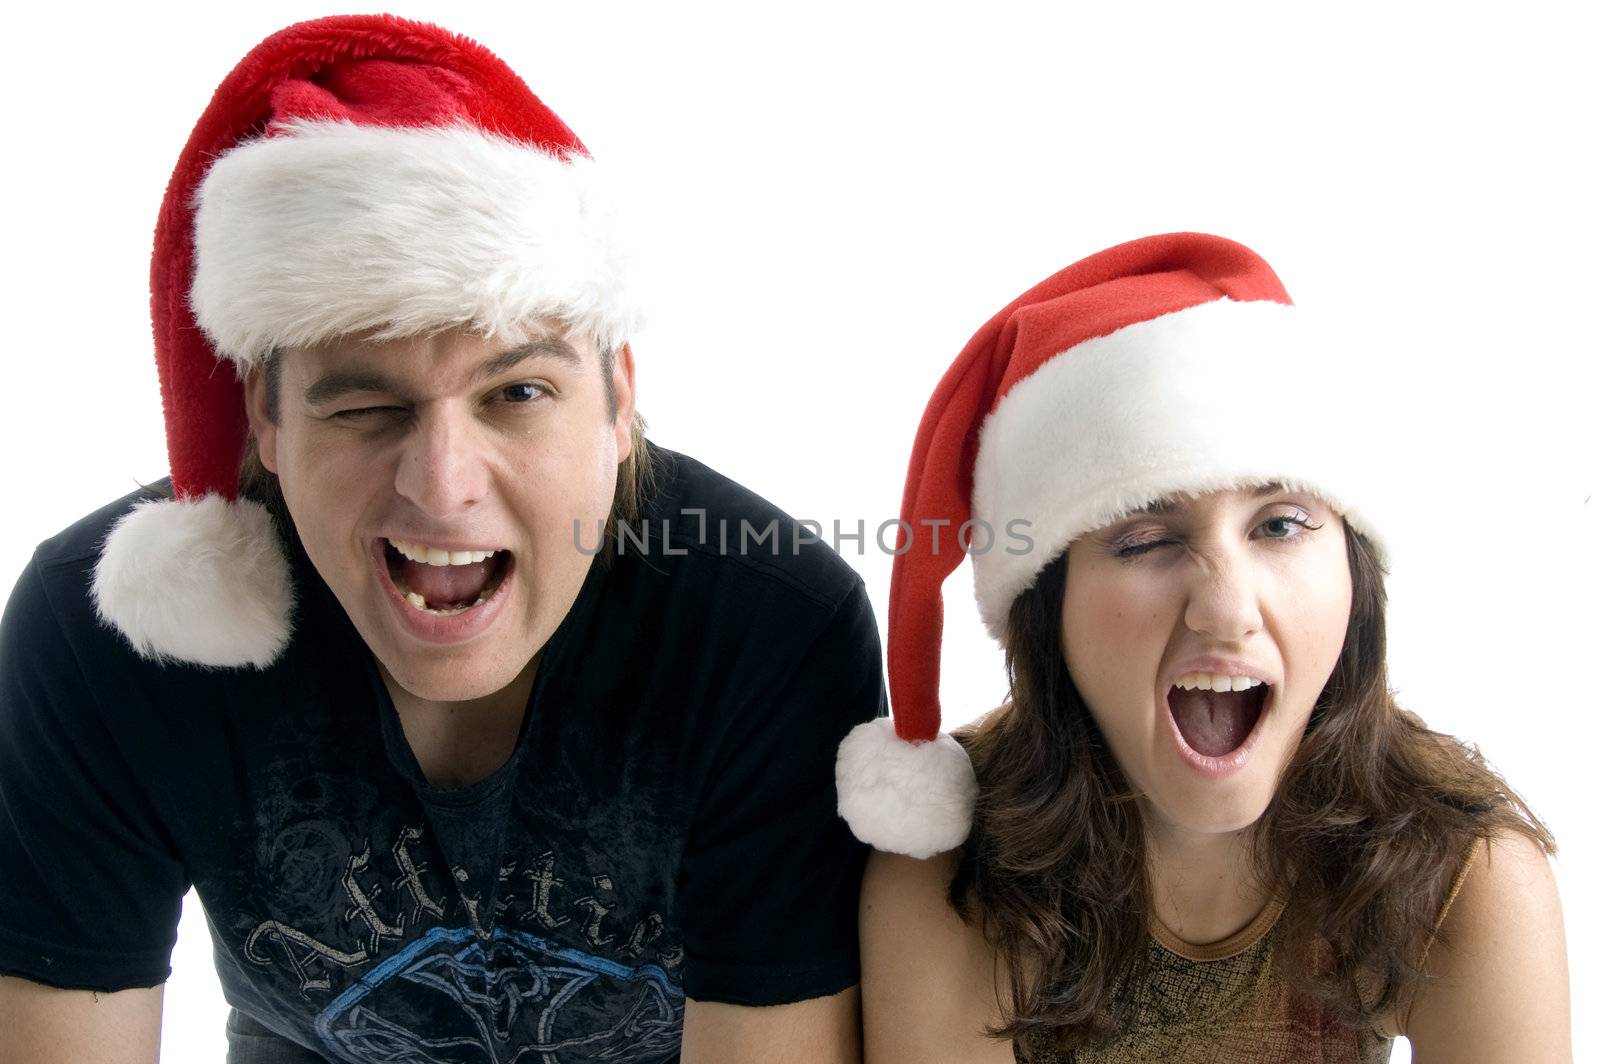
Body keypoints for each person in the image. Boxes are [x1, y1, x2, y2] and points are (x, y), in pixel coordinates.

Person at [0, 15, 880, 1063]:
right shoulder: (110, 625)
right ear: (265, 420)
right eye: (364, 406)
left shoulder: (768, 626)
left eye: (516, 391)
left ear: (619, 396)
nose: (442, 486)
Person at [836, 233, 1570, 1062]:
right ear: (1053, 607)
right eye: (1146, 538)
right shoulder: (947, 874)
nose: (1225, 611)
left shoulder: (1466, 876)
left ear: (1356, 574)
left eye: (1282, 525)